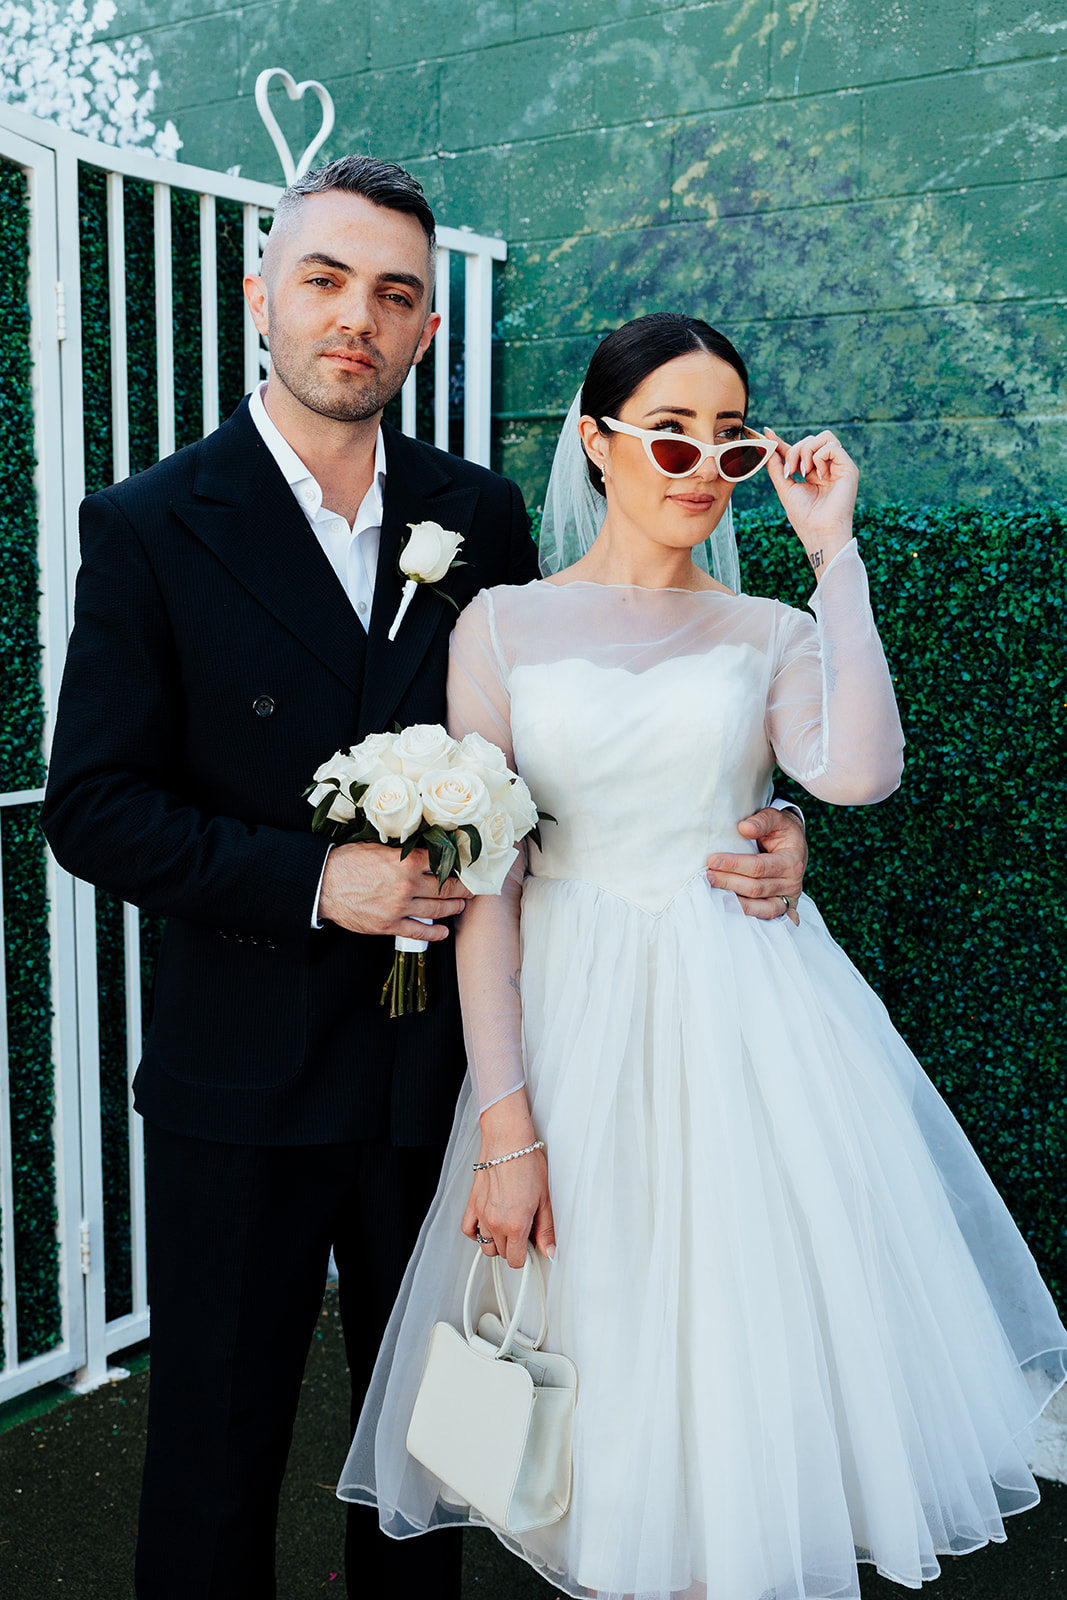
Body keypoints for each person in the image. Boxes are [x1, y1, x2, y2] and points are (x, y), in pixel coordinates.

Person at [40, 161, 806, 1600]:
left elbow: (565, 773)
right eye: (326, 280)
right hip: (241, 1086)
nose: (356, 318)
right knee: (212, 1460)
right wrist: (315, 883)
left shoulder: (479, 516)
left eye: (394, 294)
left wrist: (766, 826)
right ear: (262, 294)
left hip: (442, 1085)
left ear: (426, 331)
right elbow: (93, 809)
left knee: (439, 1472)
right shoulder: (149, 524)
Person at [338, 313, 1067, 1600]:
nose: (697, 466)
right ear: (595, 442)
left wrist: (831, 555)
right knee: (607, 1382)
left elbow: (854, 773)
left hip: (748, 1030)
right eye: (669, 434)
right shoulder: (499, 629)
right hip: (573, 1032)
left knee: (748, 1370)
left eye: (728, 445)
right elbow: (490, 890)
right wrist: (506, 1124)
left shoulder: (767, 629)